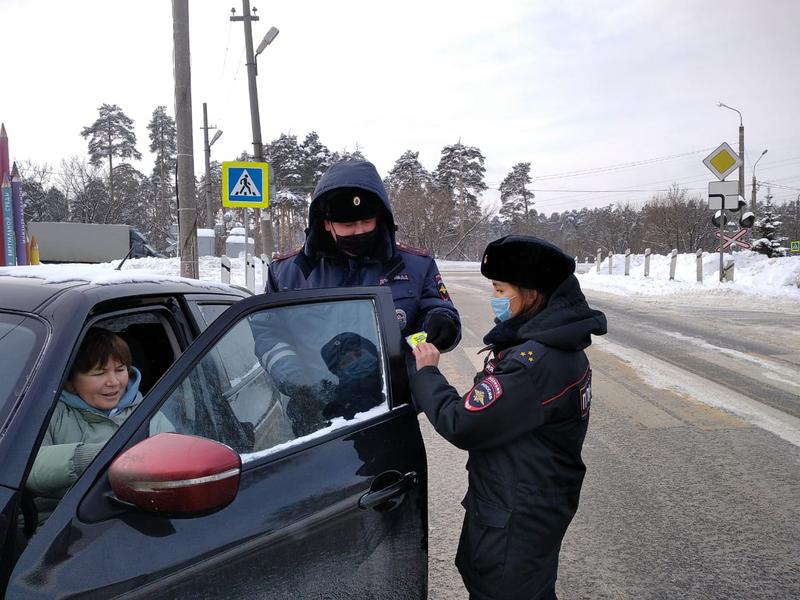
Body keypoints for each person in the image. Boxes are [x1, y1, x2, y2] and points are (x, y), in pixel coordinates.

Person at [410, 235, 607, 600]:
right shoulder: (559, 344)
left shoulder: (534, 362)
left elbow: (463, 422)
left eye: (500, 289)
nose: (495, 299)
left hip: (516, 518)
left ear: (531, 294)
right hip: (534, 504)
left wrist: (426, 373)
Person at [251, 159, 461, 430]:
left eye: (366, 221)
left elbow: (440, 312)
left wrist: (440, 322)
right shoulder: (288, 273)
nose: (359, 231)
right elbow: (268, 333)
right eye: (348, 225)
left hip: (392, 412)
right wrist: (294, 378)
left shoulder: (415, 266)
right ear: (327, 224)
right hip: (314, 413)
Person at [26, 328, 173, 524]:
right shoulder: (47, 413)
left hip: (136, 517)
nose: (113, 382)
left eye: (120, 370)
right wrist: (93, 457)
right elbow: (29, 470)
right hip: (56, 525)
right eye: (99, 373)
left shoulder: (148, 411)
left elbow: (173, 463)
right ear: (70, 382)